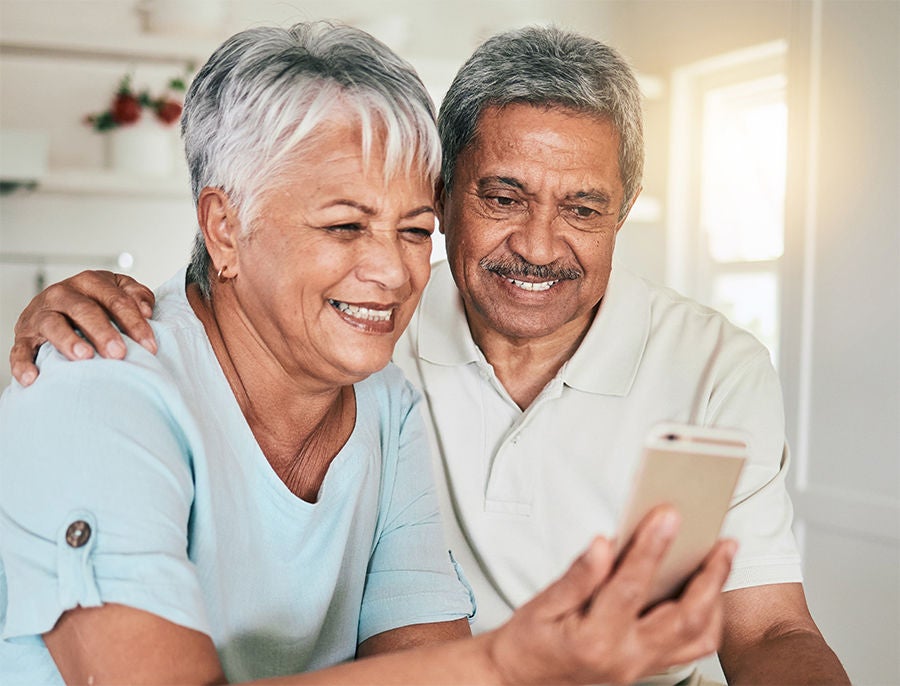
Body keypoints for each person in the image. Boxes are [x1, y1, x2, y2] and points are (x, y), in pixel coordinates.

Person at [6, 25, 848, 685]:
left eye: (409, 232)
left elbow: (770, 629)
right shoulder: (351, 342)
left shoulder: (380, 392)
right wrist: (509, 662)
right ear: (447, 198)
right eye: (502, 196)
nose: (389, 268)